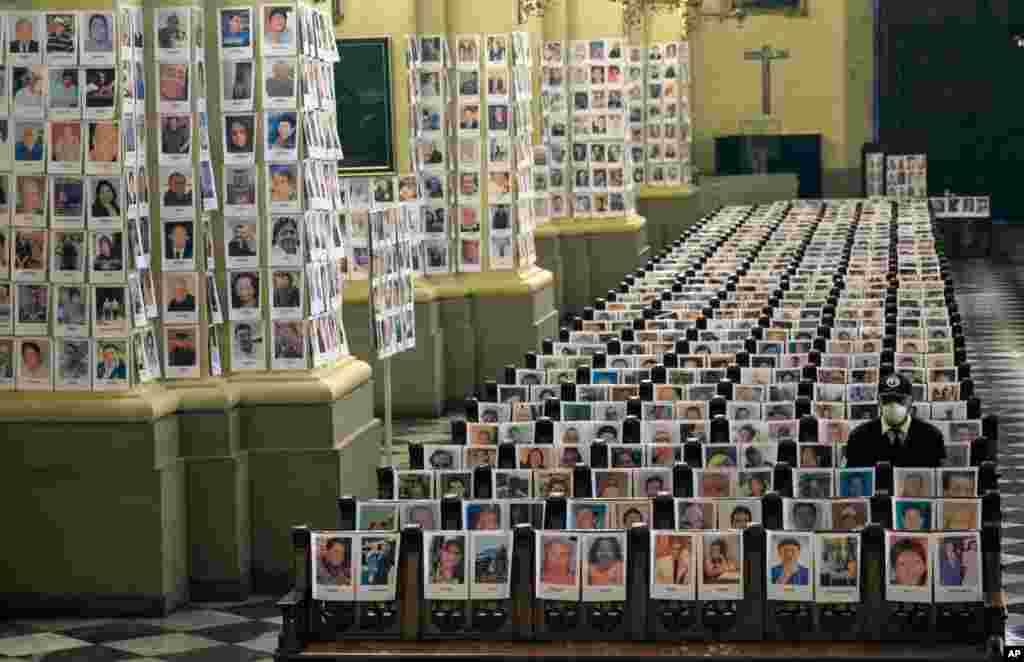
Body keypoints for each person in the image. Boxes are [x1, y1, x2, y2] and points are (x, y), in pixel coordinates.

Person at [845, 373, 945, 468]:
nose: (893, 404)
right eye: (887, 399)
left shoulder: (931, 436)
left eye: (900, 399)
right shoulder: (859, 437)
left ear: (911, 401)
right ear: (878, 402)